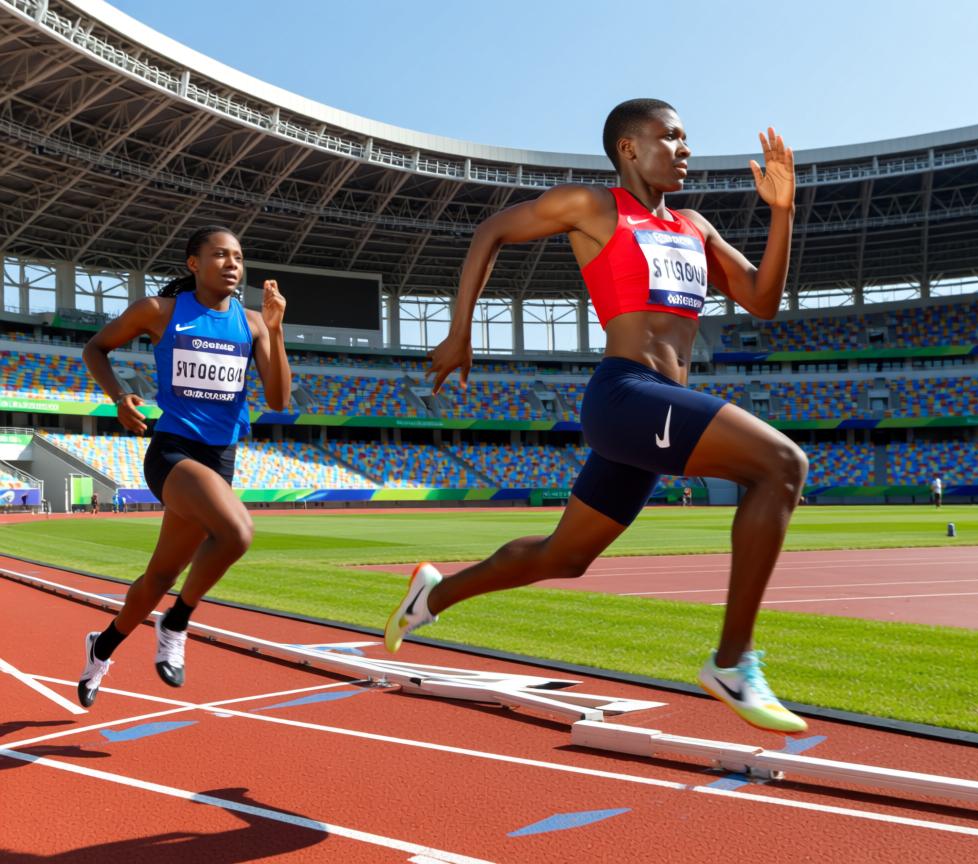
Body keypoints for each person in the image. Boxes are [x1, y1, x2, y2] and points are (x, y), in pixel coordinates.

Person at [385, 99, 808, 733]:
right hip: (626, 394)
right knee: (781, 464)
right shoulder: (594, 207)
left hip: (654, 412)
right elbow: (490, 231)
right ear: (630, 148)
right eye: (672, 137)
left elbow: (762, 300)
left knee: (563, 556)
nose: (686, 149)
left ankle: (432, 595)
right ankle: (731, 661)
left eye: (687, 138)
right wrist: (460, 332)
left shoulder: (695, 226)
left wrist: (782, 213)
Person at [75, 225, 291, 708]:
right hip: (172, 451)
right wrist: (119, 397)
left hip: (221, 458)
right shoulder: (161, 311)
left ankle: (102, 647)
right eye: (220, 255)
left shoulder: (254, 323)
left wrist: (275, 331)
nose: (233, 264)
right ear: (194, 263)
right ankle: (177, 622)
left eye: (238, 256)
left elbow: (277, 400)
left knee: (159, 577)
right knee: (237, 533)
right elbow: (95, 348)